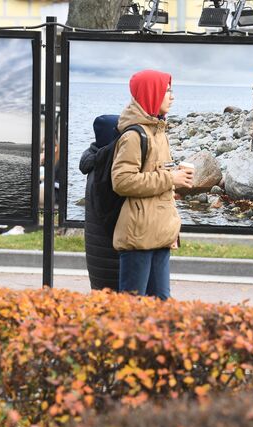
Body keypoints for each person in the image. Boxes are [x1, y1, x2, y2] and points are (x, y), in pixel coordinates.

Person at [111, 69, 194, 300]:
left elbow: (156, 177)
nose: (172, 96)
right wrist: (171, 178)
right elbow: (122, 181)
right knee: (132, 306)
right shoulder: (134, 136)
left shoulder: (158, 131)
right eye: (167, 91)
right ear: (151, 93)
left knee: (161, 305)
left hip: (159, 232)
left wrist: (174, 177)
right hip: (139, 235)